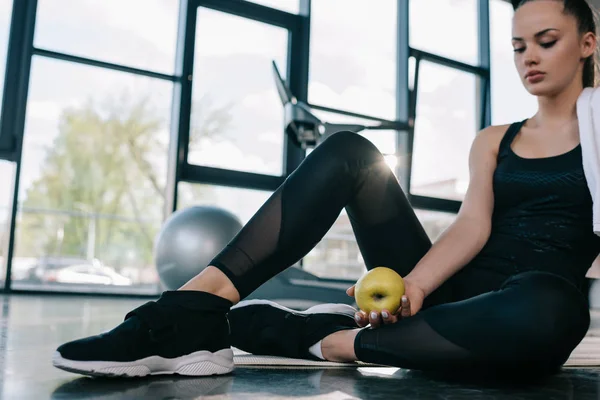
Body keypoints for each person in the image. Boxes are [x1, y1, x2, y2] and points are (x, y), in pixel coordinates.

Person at [52, 0, 599, 379]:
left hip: (526, 304)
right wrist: (414, 286)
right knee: (351, 153)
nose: (529, 56)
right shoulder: (494, 140)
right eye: (518, 45)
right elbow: (472, 227)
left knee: (557, 312)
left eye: (546, 42)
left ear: (588, 43)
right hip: (454, 289)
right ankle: (186, 314)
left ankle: (333, 341)